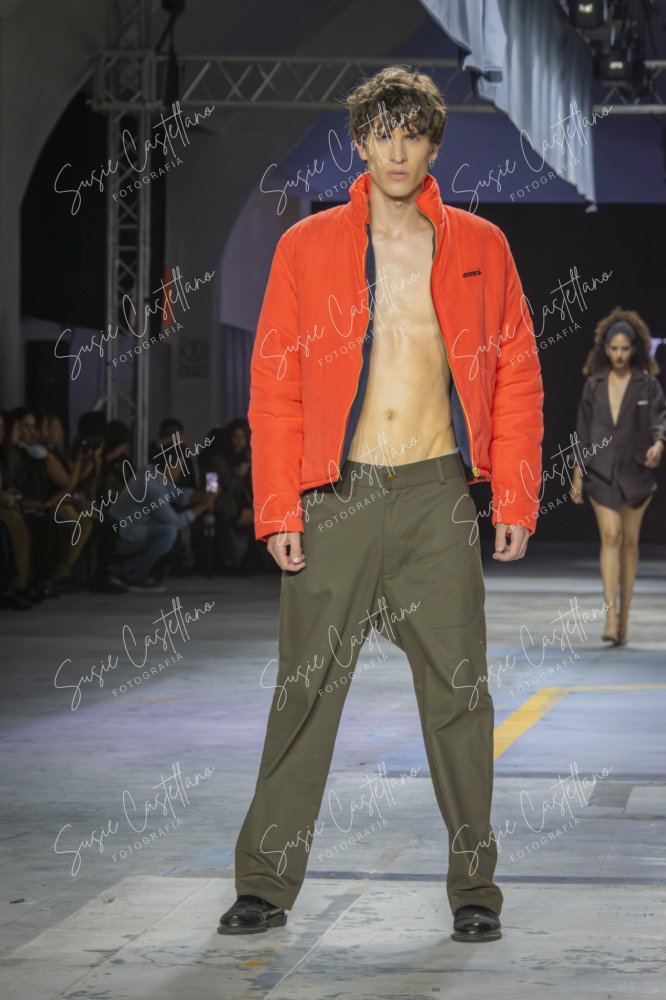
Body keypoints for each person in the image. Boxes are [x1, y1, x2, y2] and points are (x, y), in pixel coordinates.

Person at [218, 66, 544, 943]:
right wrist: (279, 506)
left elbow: (516, 373)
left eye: (413, 134)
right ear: (359, 143)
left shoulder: (481, 245)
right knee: (305, 690)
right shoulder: (308, 245)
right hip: (338, 495)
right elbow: (276, 380)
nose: (398, 150)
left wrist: (514, 492)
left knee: (460, 694)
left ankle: (475, 891)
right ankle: (264, 884)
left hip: (438, 494)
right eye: (382, 133)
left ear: (434, 146)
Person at [571, 308, 666, 645]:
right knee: (611, 537)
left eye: (625, 349)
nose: (620, 355)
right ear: (606, 349)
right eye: (615, 348)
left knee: (629, 543)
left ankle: (623, 620)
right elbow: (582, 432)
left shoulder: (647, 384)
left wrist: (659, 443)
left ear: (635, 349)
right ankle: (610, 618)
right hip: (600, 472)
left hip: (636, 473)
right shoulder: (594, 385)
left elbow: (660, 419)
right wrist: (577, 473)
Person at [110, 438, 217, 590]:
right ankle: (134, 571)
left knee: (167, 531)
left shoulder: (152, 474)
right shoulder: (151, 486)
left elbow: (177, 494)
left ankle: (128, 568)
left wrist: (200, 496)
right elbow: (175, 522)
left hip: (129, 529)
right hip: (124, 534)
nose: (181, 471)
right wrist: (203, 506)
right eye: (180, 466)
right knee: (168, 533)